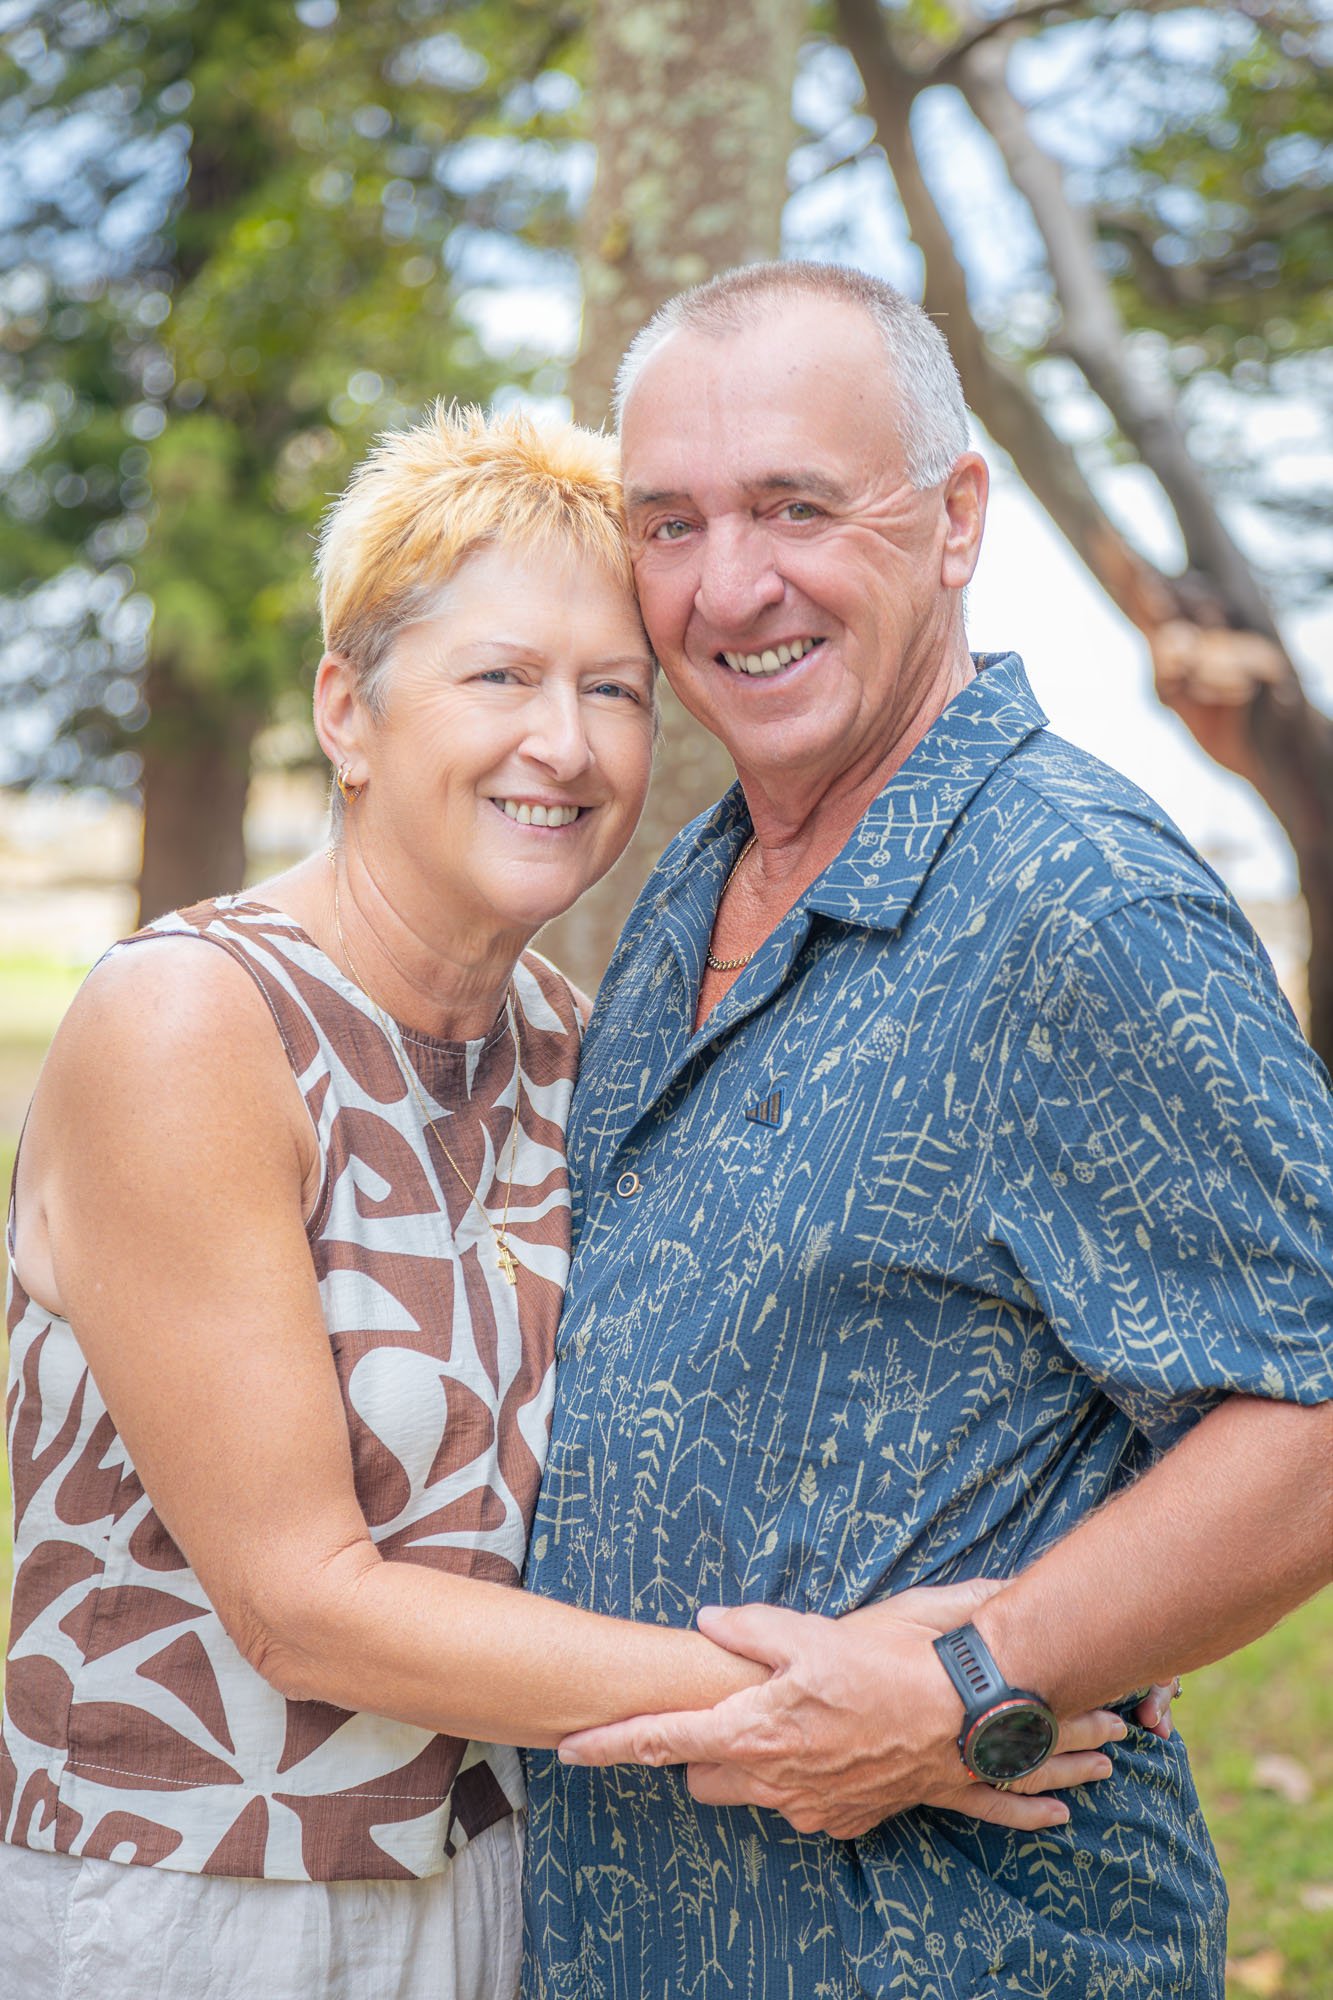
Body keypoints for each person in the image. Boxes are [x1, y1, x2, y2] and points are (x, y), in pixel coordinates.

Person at [0, 401, 1123, 2000]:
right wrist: (846, 1707)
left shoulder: (574, 1051)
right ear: (347, 708)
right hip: (203, 1900)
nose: (568, 743)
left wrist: (1023, 1616)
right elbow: (301, 1609)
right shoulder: (190, 1023)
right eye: (499, 677)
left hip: (518, 1882)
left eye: (611, 691)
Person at [521, 263, 1333, 1999]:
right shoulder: (689, 884)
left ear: (955, 519)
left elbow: (1316, 1403)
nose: (728, 586)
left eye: (795, 508)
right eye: (668, 525)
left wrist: (976, 1674)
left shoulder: (1076, 894)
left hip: (955, 1953)